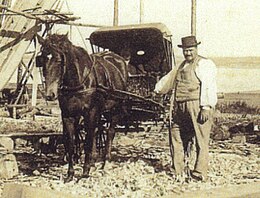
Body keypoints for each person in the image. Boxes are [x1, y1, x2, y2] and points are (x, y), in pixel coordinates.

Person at [155, 35, 217, 182]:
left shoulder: (205, 64)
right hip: (179, 106)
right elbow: (168, 81)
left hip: (196, 104)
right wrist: (157, 90)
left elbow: (208, 86)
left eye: (190, 50)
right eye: (185, 51)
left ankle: (199, 171)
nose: (188, 53)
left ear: (196, 48)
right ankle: (178, 169)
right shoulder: (181, 66)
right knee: (175, 135)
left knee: (201, 139)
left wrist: (206, 107)